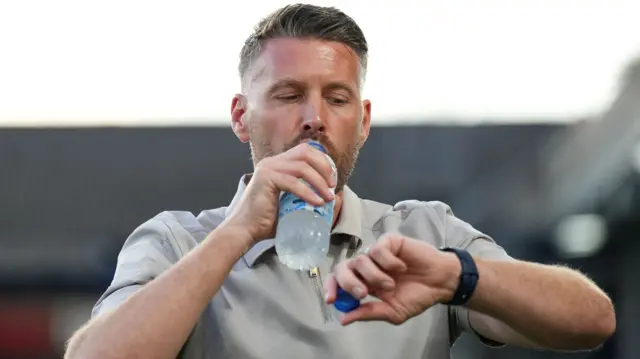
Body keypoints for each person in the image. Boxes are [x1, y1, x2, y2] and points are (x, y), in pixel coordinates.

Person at [64, 4, 615, 359]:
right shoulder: (176, 243)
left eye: (337, 97)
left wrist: (455, 276)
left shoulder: (422, 232)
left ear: (364, 119)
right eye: (287, 94)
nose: (314, 117)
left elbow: (592, 320)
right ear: (239, 116)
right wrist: (236, 234)